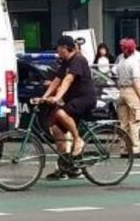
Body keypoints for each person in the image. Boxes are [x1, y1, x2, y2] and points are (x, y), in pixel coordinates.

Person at [40, 35, 98, 179]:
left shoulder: (78, 60)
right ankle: (65, 165)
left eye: (58, 48)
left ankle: (78, 139)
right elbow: (57, 80)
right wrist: (44, 97)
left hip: (84, 99)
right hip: (73, 100)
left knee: (60, 113)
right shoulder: (65, 62)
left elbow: (68, 79)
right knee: (56, 129)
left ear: (65, 48)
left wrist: (57, 98)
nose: (57, 51)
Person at [114, 38, 140, 158]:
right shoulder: (134, 62)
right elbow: (136, 82)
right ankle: (135, 149)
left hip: (121, 91)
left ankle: (124, 149)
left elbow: (116, 76)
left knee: (123, 123)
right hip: (131, 91)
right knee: (135, 121)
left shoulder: (120, 61)